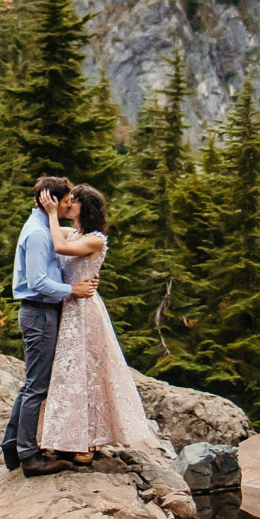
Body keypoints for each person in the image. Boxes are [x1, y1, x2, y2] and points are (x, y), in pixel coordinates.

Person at [36, 184, 160, 465]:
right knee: (66, 374)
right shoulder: (77, 233)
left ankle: (87, 441)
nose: (68, 206)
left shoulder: (95, 240)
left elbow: (60, 246)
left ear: (85, 208)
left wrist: (53, 214)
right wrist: (46, 210)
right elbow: (50, 236)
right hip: (69, 305)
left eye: (73, 203)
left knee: (85, 373)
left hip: (83, 312)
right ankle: (64, 437)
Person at [3, 174, 96, 476]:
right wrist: (73, 291)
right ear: (53, 201)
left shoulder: (44, 227)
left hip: (43, 312)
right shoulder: (39, 234)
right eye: (68, 199)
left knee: (33, 383)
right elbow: (37, 281)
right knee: (37, 387)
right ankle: (29, 456)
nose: (71, 204)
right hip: (40, 312)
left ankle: (13, 446)